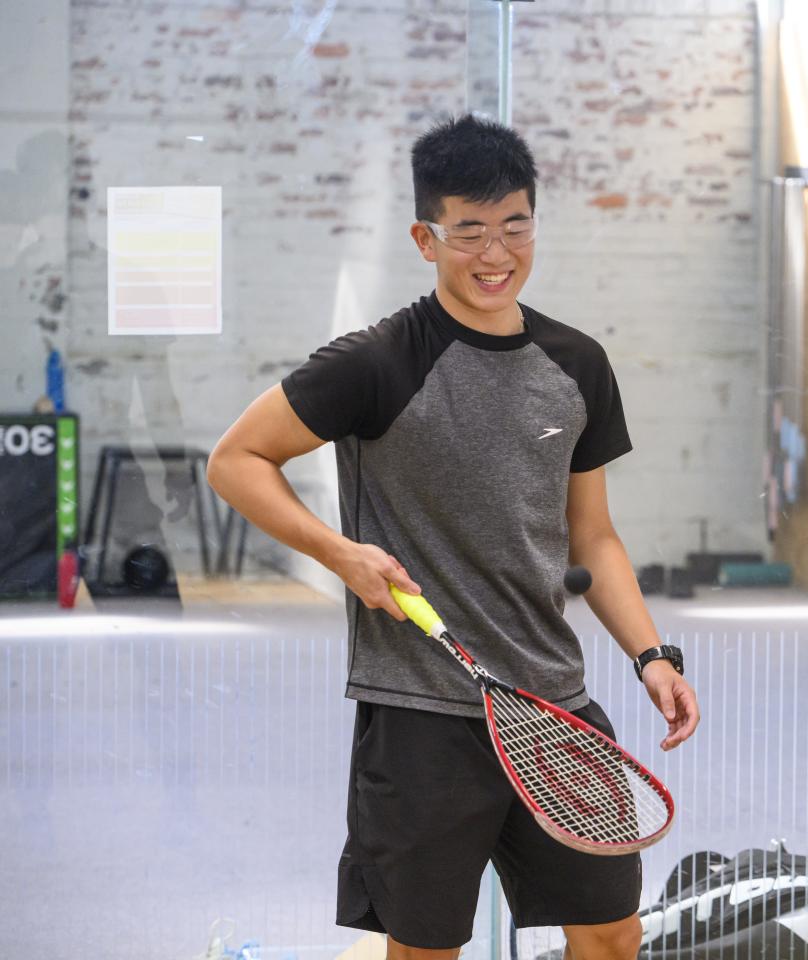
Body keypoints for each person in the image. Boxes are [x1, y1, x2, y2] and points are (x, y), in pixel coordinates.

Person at [208, 116, 699, 960]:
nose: (494, 251)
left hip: (554, 706)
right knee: (427, 950)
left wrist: (653, 657)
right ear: (425, 238)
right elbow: (236, 459)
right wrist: (341, 553)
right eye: (468, 230)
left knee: (613, 935)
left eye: (515, 224)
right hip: (421, 717)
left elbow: (597, 538)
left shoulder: (577, 366)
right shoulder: (377, 362)